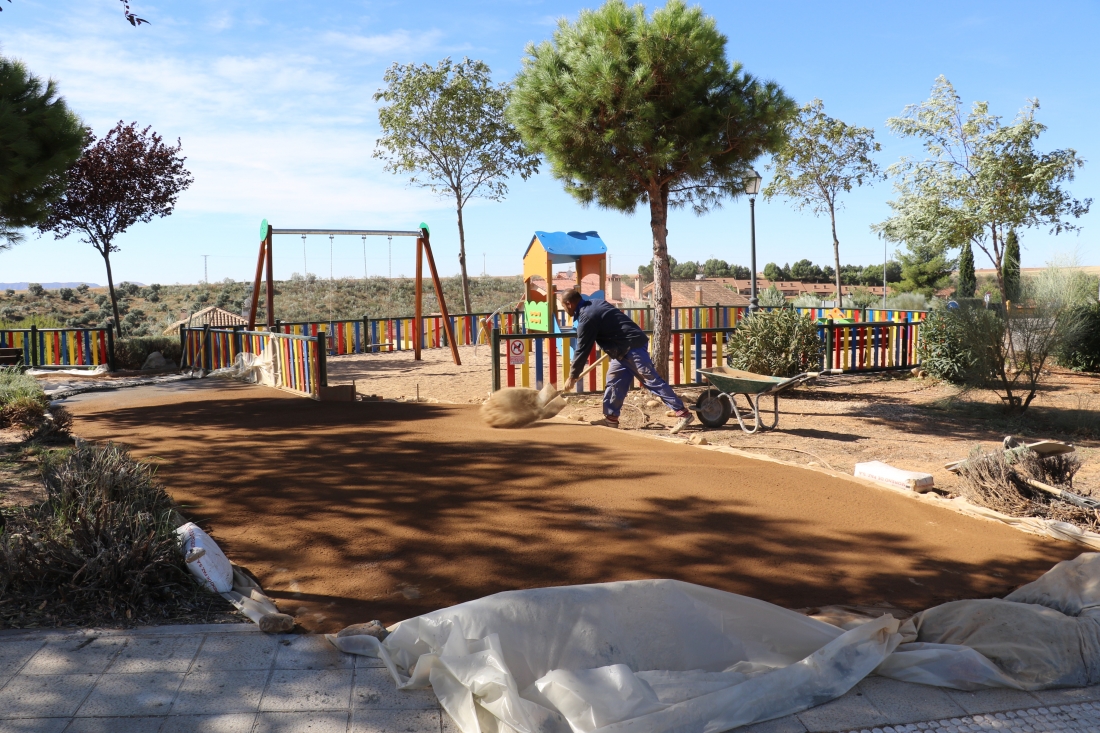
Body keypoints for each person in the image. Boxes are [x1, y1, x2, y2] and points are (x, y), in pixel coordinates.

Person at [561, 289, 693, 434]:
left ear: (569, 303)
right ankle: (611, 419)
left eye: (563, 306)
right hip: (622, 349)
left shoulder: (587, 317)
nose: (564, 309)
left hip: (632, 347)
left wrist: (573, 375)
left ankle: (683, 413)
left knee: (650, 380)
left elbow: (582, 349)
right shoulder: (595, 304)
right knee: (615, 379)